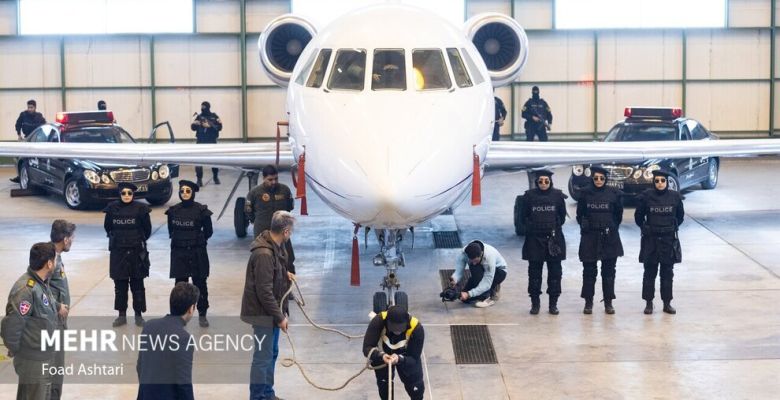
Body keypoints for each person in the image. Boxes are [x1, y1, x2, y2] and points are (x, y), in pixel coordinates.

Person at [1, 242, 67, 400]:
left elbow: (45, 306)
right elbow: (11, 327)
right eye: (55, 260)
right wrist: (20, 351)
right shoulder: (26, 291)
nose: (57, 263)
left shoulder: (41, 284)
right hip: (33, 361)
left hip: (42, 357)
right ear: (49, 264)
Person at [241, 210, 296, 400]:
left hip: (270, 313)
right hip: (263, 314)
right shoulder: (264, 254)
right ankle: (258, 397)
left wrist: (284, 274)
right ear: (286, 231)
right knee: (262, 358)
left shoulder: (276, 246)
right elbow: (264, 292)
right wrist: (280, 317)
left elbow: (272, 276)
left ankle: (267, 393)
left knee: (271, 354)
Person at [136, 282, 199, 400]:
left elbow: (140, 367)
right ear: (191, 308)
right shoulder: (183, 338)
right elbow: (184, 385)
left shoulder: (149, 326)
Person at [635, 170, 684, 315]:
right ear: (653, 182)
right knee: (649, 273)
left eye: (663, 181)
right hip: (651, 240)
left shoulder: (675, 197)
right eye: (657, 181)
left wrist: (671, 227)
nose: (660, 183)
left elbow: (680, 216)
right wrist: (645, 228)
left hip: (668, 240)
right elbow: (638, 216)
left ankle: (667, 303)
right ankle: (649, 303)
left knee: (667, 273)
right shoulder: (646, 197)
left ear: (667, 182)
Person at [576, 166, 624, 315]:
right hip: (590, 236)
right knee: (589, 272)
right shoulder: (585, 194)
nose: (598, 181)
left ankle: (608, 302)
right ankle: (588, 302)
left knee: (609, 272)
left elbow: (618, 216)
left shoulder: (614, 194)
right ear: (592, 179)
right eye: (596, 178)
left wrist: (609, 226)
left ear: (606, 179)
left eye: (601, 178)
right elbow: (580, 214)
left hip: (609, 237)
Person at [165, 180, 213, 328]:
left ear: (193, 193)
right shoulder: (173, 211)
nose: (185, 193)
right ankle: (179, 315)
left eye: (188, 191)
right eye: (182, 191)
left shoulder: (201, 210)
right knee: (180, 285)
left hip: (197, 252)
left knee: (200, 284)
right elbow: (170, 231)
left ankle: (202, 314)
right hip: (179, 252)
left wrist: (197, 240)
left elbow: (208, 232)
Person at [104, 182, 152, 327]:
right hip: (118, 252)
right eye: (123, 193)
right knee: (120, 286)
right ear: (119, 194)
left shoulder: (141, 209)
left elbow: (147, 229)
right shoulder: (112, 208)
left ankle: (138, 315)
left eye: (129, 193)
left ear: (133, 194)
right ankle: (121, 315)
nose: (126, 196)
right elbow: (108, 227)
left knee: (138, 286)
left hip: (136, 252)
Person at [521, 169, 567, 315]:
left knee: (555, 274)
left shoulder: (558, 196)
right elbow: (523, 217)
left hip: (554, 239)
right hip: (534, 240)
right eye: (540, 181)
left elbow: (562, 217)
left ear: (550, 182)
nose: (543, 184)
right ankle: (535, 304)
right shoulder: (529, 196)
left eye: (546, 181)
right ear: (536, 182)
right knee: (534, 275)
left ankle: (553, 305)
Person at [362, 306, 425, 400]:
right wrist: (381, 356)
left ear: (407, 323)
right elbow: (367, 348)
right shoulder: (378, 321)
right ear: (387, 322)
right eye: (394, 328)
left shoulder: (416, 328)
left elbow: (414, 358)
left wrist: (400, 359)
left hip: (406, 357)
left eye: (400, 328)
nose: (397, 331)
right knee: (384, 387)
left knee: (415, 386)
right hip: (383, 355)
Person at [246, 165, 296, 275]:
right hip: (262, 231)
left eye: (276, 179)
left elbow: (289, 207)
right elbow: (248, 211)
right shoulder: (255, 193)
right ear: (263, 178)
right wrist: (258, 221)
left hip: (282, 231)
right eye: (270, 179)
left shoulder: (285, 190)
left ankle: (287, 287)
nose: (273, 182)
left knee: (288, 259)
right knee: (262, 260)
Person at [49, 220, 76, 400]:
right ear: (65, 239)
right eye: (72, 238)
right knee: (54, 371)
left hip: (58, 322)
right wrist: (58, 305)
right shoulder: (50, 260)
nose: (72, 241)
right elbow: (39, 288)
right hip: (52, 323)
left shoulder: (56, 256)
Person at [449, 240, 508, 308]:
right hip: (480, 271)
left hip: (499, 271)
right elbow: (459, 271)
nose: (473, 263)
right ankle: (483, 290)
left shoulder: (489, 256)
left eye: (476, 260)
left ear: (481, 253)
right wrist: (454, 279)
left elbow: (486, 282)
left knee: (476, 268)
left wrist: (469, 294)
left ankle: (490, 295)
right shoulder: (463, 254)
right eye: (471, 260)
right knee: (463, 298)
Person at [10, 99, 46, 183]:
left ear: (35, 108)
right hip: (26, 139)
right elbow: (18, 124)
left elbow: (44, 126)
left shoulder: (39, 116)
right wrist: (19, 135)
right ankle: (21, 175)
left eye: (31, 107)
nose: (30, 109)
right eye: (28, 107)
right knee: (20, 157)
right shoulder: (23, 115)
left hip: (37, 140)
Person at [191, 101, 223, 186]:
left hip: (211, 141)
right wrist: (195, 124)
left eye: (204, 107)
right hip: (200, 141)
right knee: (198, 162)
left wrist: (209, 127)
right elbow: (193, 128)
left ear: (208, 107)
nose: (203, 108)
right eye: (202, 107)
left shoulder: (214, 116)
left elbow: (220, 127)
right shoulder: (199, 116)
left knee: (215, 161)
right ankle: (199, 179)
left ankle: (215, 177)